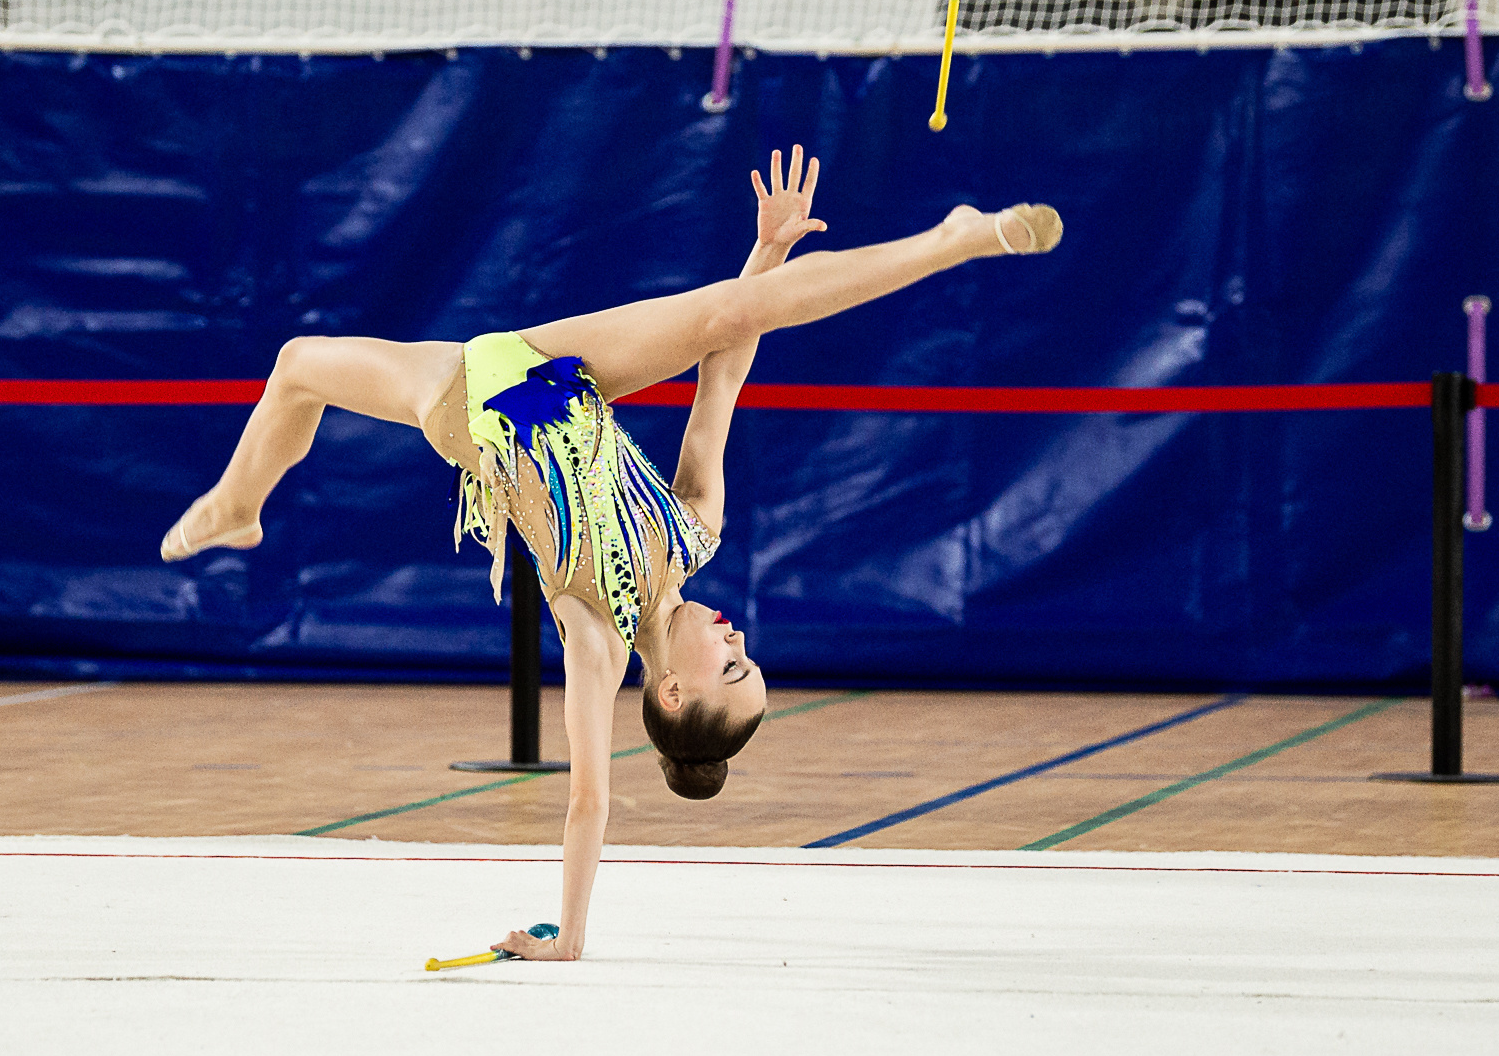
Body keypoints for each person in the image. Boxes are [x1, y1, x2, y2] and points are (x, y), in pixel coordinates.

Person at [162, 148, 1061, 959]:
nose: (738, 637)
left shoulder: (593, 630)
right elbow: (724, 371)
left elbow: (588, 799)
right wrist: (769, 257)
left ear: (673, 691)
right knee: (729, 309)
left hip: (468, 406)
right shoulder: (696, 530)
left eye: (732, 664)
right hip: (565, 372)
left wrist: (572, 933)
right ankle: (954, 239)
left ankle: (239, 507)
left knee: (294, 364)